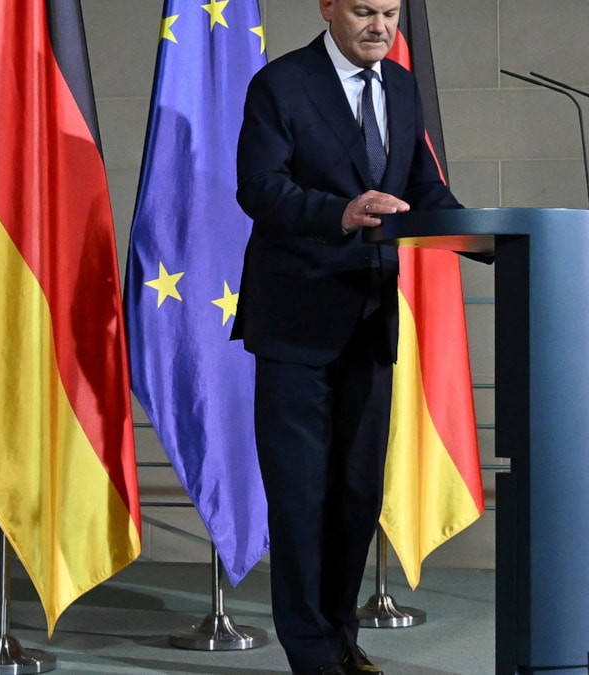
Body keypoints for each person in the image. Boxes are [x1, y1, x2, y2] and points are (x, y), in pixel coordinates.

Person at [231, 1, 465, 673]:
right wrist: (340, 213)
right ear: (328, 7)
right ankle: (312, 655)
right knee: (301, 500)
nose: (380, 26)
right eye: (364, 10)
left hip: (369, 323)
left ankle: (338, 637)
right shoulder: (281, 84)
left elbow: (422, 188)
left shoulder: (403, 87)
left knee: (357, 497)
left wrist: (492, 236)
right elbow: (259, 188)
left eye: (390, 12)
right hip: (296, 324)